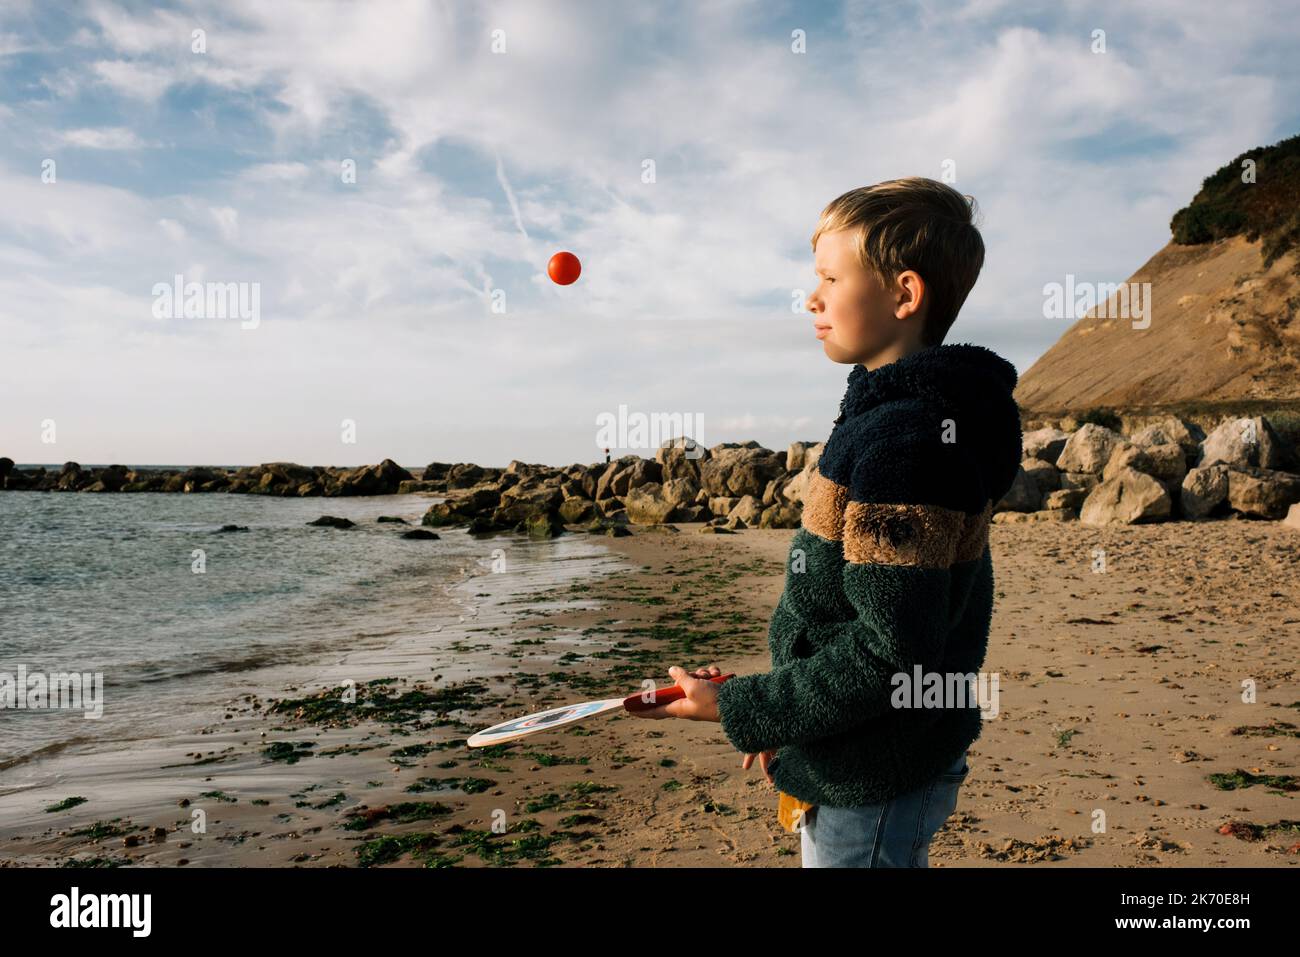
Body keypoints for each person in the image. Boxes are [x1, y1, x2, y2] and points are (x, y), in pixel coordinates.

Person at [628, 177, 1023, 867]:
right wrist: (771, 707)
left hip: (873, 770)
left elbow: (891, 653)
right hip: (860, 747)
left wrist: (742, 707)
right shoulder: (897, 418)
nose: (812, 297)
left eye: (831, 277)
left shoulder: (907, 443)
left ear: (904, 295)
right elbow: (862, 624)